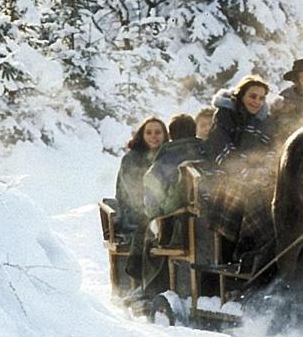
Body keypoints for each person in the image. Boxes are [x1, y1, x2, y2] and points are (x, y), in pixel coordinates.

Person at [128, 114, 207, 295]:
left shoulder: (164, 161)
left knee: (147, 236)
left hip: (177, 227)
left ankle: (150, 288)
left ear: (170, 134)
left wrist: (157, 213)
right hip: (209, 221)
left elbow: (151, 206)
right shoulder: (207, 153)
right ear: (194, 131)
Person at [203, 75, 276, 272]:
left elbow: (271, 150)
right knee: (251, 195)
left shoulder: (266, 122)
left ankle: (271, 252)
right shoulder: (225, 115)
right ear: (241, 95)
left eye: (261, 98)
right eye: (253, 96)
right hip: (226, 175)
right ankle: (245, 252)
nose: (257, 102)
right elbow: (221, 149)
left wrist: (265, 168)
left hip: (258, 174)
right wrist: (244, 169)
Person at [114, 116, 167, 237]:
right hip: (134, 214)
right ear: (142, 135)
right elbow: (134, 194)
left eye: (158, 132)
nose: (153, 136)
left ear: (164, 135)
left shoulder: (167, 157)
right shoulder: (131, 159)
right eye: (149, 133)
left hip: (160, 213)